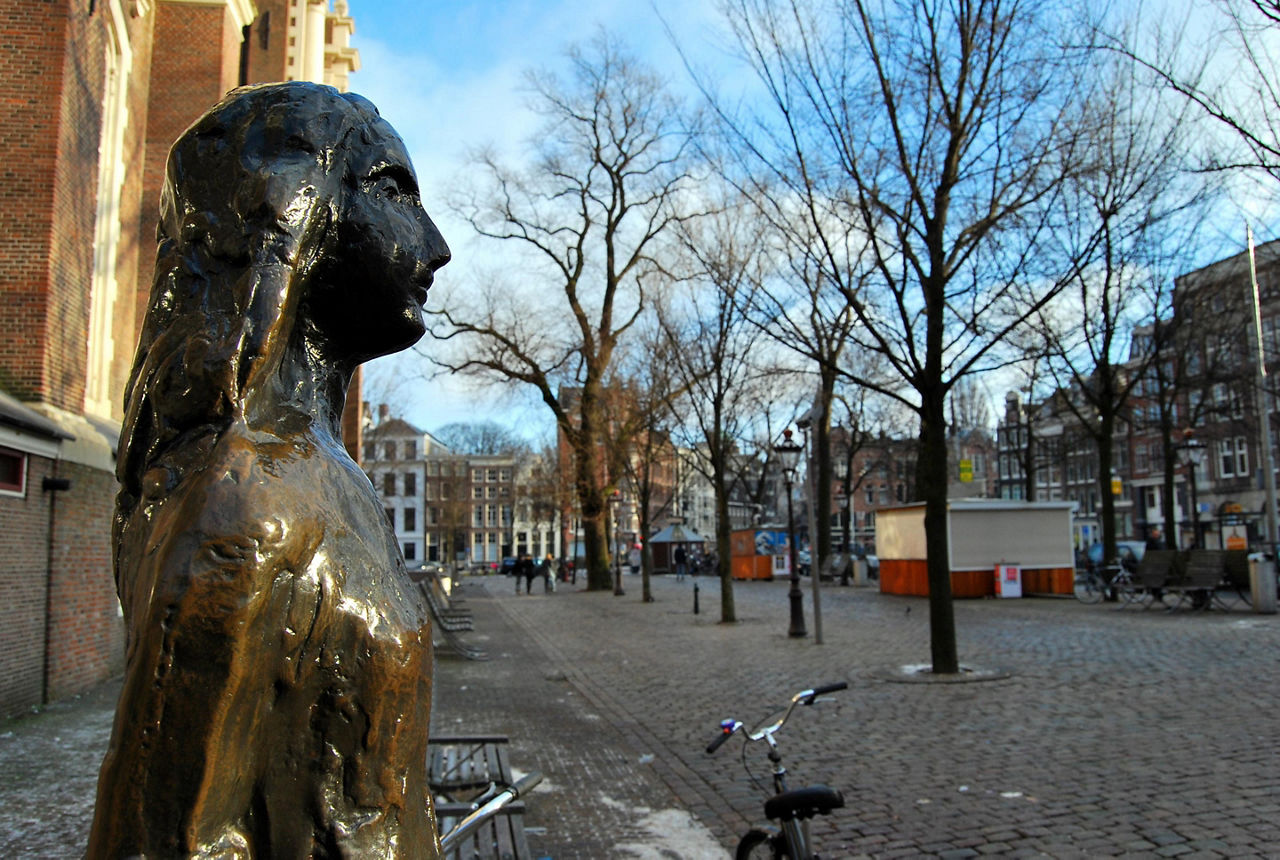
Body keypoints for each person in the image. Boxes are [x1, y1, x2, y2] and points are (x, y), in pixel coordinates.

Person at [88, 82, 451, 857]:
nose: (433, 244)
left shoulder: (333, 477)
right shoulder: (246, 507)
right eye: (392, 192)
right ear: (294, 209)